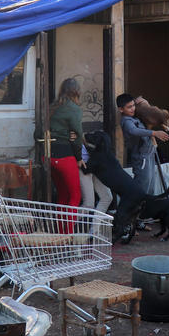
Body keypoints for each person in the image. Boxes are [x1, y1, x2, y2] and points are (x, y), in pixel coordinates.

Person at [49, 78, 84, 232]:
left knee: (62, 195)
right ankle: (69, 235)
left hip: (49, 156)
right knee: (75, 196)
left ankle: (60, 232)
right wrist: (79, 158)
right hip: (65, 156)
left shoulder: (52, 106)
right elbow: (77, 135)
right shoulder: (73, 109)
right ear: (76, 91)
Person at [117, 93, 169, 194]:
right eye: (129, 107)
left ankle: (148, 208)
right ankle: (139, 209)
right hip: (141, 158)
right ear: (121, 109)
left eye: (133, 106)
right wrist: (154, 133)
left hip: (149, 155)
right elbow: (134, 131)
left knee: (151, 186)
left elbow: (149, 113)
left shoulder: (136, 116)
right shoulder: (126, 121)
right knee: (142, 188)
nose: (133, 109)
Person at [78, 140, 113, 214]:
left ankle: (95, 225)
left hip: (94, 165)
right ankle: (68, 224)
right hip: (82, 167)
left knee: (107, 197)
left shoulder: (84, 137)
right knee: (89, 204)